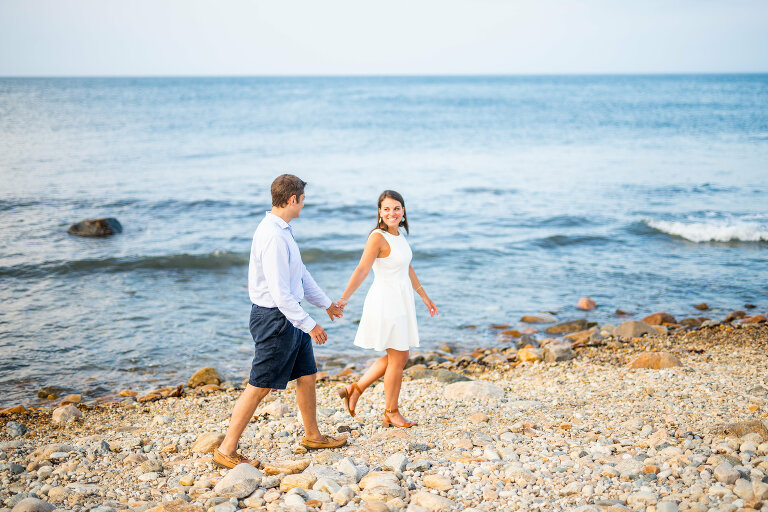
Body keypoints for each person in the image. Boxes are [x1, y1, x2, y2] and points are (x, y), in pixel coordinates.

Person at [213, 174, 347, 469]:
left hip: (289, 314)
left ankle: (312, 435)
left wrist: (326, 304)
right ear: (292, 199)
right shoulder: (273, 235)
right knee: (260, 386)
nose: (303, 205)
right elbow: (279, 292)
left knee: (307, 374)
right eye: (302, 199)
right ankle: (226, 448)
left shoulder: (283, 230)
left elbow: (300, 273)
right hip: (276, 318)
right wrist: (309, 324)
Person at [336, 190, 438, 428]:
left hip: (401, 301)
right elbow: (362, 269)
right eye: (386, 209)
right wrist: (344, 298)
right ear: (379, 213)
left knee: (397, 355)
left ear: (403, 212)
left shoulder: (399, 235)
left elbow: (407, 267)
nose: (392, 213)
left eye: (396, 208)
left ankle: (356, 388)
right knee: (399, 356)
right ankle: (391, 411)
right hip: (386, 302)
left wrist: (424, 295)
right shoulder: (378, 237)